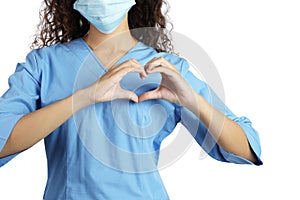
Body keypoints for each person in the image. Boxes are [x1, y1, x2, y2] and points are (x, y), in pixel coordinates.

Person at [0, 0, 262, 199]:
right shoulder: (44, 65)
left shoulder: (166, 70)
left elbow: (246, 149)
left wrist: (192, 100)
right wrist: (83, 97)